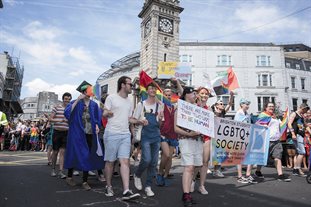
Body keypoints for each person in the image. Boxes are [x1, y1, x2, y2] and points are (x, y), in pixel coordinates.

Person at [103, 76, 140, 200]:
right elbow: (104, 112)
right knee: (110, 162)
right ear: (123, 85)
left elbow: (129, 119)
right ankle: (108, 186)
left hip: (125, 134)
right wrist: (108, 113)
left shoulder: (129, 102)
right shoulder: (111, 98)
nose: (132, 87)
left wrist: (139, 121)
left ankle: (126, 190)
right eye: (130, 84)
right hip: (112, 133)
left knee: (125, 161)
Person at [64, 82, 105, 190]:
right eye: (88, 90)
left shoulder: (94, 104)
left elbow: (97, 118)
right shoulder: (75, 102)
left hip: (90, 133)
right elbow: (68, 113)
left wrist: (97, 125)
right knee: (74, 154)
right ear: (83, 92)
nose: (90, 92)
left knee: (87, 155)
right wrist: (77, 100)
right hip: (77, 134)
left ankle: (85, 181)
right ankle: (69, 176)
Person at [133, 83, 164, 197]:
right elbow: (133, 120)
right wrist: (141, 121)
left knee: (154, 162)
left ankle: (148, 186)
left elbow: (160, 125)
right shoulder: (141, 105)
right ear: (147, 90)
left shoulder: (160, 105)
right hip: (145, 135)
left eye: (154, 88)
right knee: (146, 160)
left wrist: (160, 119)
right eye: (150, 88)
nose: (153, 90)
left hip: (156, 135)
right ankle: (137, 174)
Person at [174, 87, 202, 207]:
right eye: (193, 93)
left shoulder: (198, 109)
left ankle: (188, 191)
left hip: (197, 140)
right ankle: (186, 194)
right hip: (185, 139)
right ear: (186, 95)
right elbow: (175, 128)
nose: (195, 95)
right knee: (189, 167)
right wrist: (189, 134)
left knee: (196, 165)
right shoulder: (180, 108)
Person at [255, 102, 291, 182]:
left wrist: (285, 122)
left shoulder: (274, 116)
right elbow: (258, 125)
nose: (271, 107)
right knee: (262, 158)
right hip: (266, 140)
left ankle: (280, 175)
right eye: (270, 106)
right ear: (266, 108)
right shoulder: (263, 115)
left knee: (277, 157)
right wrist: (264, 126)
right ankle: (257, 171)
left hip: (276, 140)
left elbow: (279, 126)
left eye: (272, 106)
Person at [157, 78, 183, 187]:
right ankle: (159, 173)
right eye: (166, 93)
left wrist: (177, 82)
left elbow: (182, 94)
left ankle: (165, 175)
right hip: (163, 133)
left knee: (170, 156)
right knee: (166, 155)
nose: (168, 95)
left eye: (169, 94)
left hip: (173, 134)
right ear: (163, 95)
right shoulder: (160, 105)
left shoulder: (175, 106)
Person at [191, 87, 211, 194]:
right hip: (195, 137)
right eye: (202, 93)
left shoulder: (210, 109)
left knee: (205, 162)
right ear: (198, 94)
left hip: (206, 137)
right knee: (197, 162)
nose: (204, 95)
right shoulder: (193, 107)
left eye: (206, 94)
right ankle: (193, 179)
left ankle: (202, 185)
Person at [211, 91, 234, 177]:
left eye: (222, 103)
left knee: (220, 154)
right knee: (209, 154)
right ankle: (202, 170)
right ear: (216, 105)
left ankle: (217, 170)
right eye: (220, 103)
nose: (222, 104)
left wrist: (231, 96)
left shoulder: (223, 113)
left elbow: (230, 104)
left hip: (221, 138)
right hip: (212, 137)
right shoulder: (211, 113)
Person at [49, 92, 72, 179]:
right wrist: (60, 121)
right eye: (66, 99)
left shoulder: (70, 109)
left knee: (63, 152)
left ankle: (61, 172)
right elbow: (50, 119)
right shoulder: (56, 107)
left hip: (66, 133)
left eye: (69, 99)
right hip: (57, 132)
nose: (67, 101)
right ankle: (53, 169)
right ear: (63, 99)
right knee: (55, 152)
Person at [234, 98, 257, 184]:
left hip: (247, 136)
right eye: (246, 104)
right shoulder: (239, 113)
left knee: (250, 155)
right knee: (239, 156)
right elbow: (237, 125)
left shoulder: (247, 114)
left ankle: (248, 174)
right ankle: (240, 176)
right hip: (240, 137)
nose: (247, 106)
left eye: (248, 104)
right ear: (241, 104)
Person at [288, 103, 310, 177]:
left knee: (298, 153)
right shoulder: (294, 114)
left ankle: (295, 169)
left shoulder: (302, 116)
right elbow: (289, 123)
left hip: (300, 135)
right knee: (302, 152)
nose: (306, 112)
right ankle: (298, 169)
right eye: (305, 110)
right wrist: (293, 133)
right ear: (302, 108)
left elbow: (306, 126)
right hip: (296, 135)